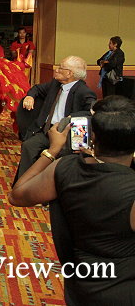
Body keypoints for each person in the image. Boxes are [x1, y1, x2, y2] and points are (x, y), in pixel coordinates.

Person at [9, 95, 135, 304]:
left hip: (79, 284)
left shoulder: (65, 167)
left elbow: (17, 195)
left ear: (92, 135)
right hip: (123, 289)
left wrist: (52, 151)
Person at [13, 56, 96, 183]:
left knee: (63, 158)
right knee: (28, 146)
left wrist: (71, 117)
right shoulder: (55, 84)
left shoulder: (84, 91)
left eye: (60, 68)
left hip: (66, 135)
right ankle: (23, 183)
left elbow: (92, 112)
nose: (56, 70)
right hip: (46, 130)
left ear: (69, 73)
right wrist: (30, 96)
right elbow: (37, 88)